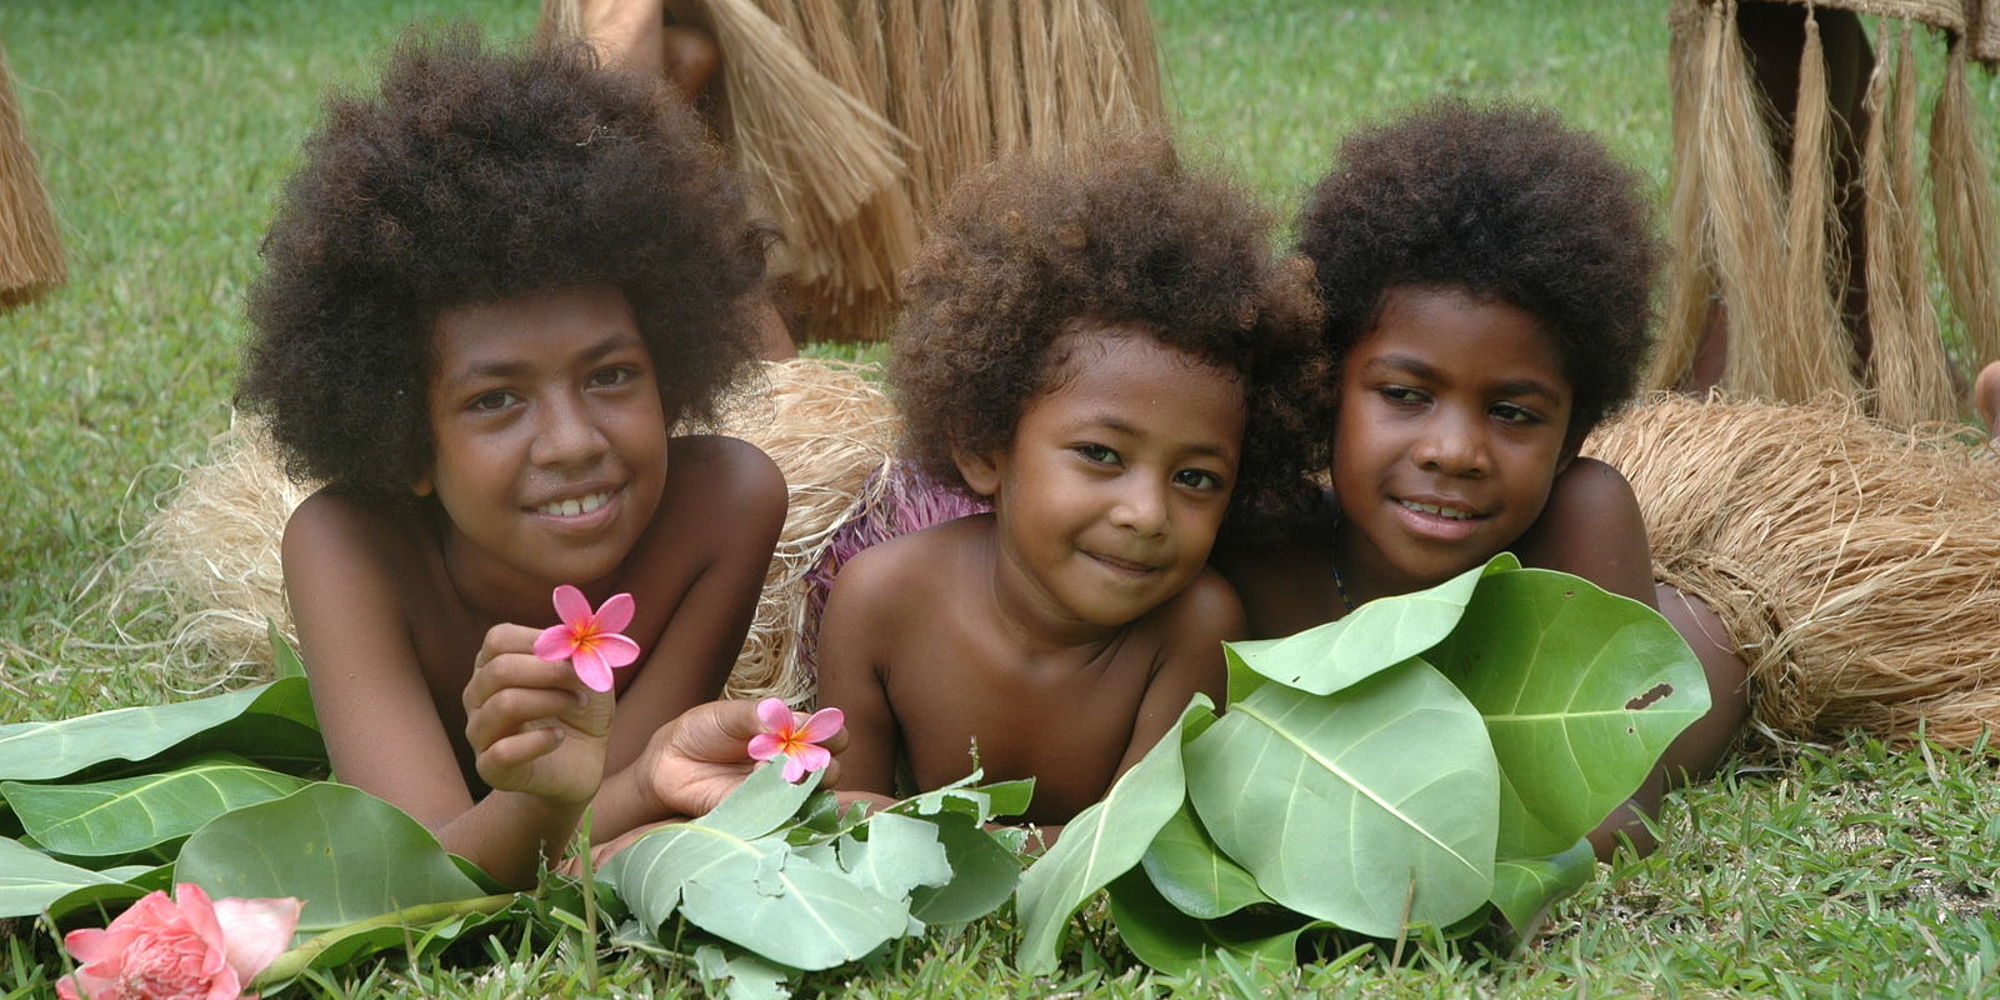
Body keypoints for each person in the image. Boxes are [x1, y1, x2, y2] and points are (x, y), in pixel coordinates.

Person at [233, 28, 811, 887]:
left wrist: (638, 778)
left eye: (611, 375)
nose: (575, 443)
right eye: (495, 399)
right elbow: (419, 876)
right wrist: (579, 796)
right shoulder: (350, 550)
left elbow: (620, 794)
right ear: (408, 442)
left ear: (670, 367)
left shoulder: (726, 506)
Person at [1214, 100, 1749, 861]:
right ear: (1326, 387)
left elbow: (1619, 812)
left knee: (1713, 627)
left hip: (1703, 647)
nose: (1455, 451)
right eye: (1405, 396)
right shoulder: (1259, 551)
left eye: (1512, 412)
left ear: (1572, 439)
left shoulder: (1580, 518)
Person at [813, 137, 1323, 833]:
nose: (1146, 513)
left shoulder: (1194, 627)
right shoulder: (880, 598)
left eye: (1196, 478)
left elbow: (1127, 855)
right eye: (1100, 454)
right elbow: (845, 825)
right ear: (983, 447)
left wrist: (930, 840)